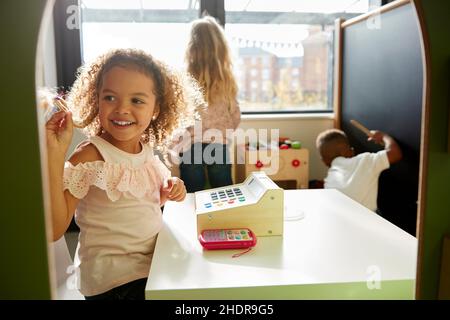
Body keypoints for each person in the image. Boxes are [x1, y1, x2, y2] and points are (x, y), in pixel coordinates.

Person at [46, 48, 204, 300]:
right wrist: (55, 154)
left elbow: (138, 201)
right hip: (114, 280)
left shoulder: (146, 151)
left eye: (137, 100)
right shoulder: (91, 156)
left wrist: (167, 190)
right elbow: (54, 229)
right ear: (96, 99)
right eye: (110, 98)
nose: (122, 109)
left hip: (150, 263)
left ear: (156, 109)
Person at [177, 15, 241, 192]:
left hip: (190, 145)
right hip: (218, 144)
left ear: (191, 48)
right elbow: (235, 115)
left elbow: (177, 115)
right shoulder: (227, 80)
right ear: (220, 48)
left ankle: (193, 219)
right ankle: (227, 218)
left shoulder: (183, 79)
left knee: (192, 193)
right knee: (224, 190)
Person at [316, 128, 402, 212]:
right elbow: (395, 153)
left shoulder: (328, 182)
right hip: (368, 221)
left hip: (342, 223)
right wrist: (384, 136)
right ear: (351, 151)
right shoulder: (365, 160)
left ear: (324, 161)